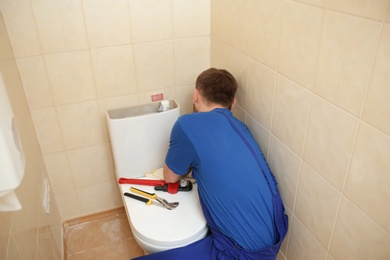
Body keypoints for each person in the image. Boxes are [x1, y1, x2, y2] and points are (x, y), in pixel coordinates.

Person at [134, 68, 288, 260]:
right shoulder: (241, 128)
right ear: (233, 103)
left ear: (196, 94)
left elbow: (170, 177)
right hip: (273, 240)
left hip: (239, 254)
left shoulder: (186, 124)